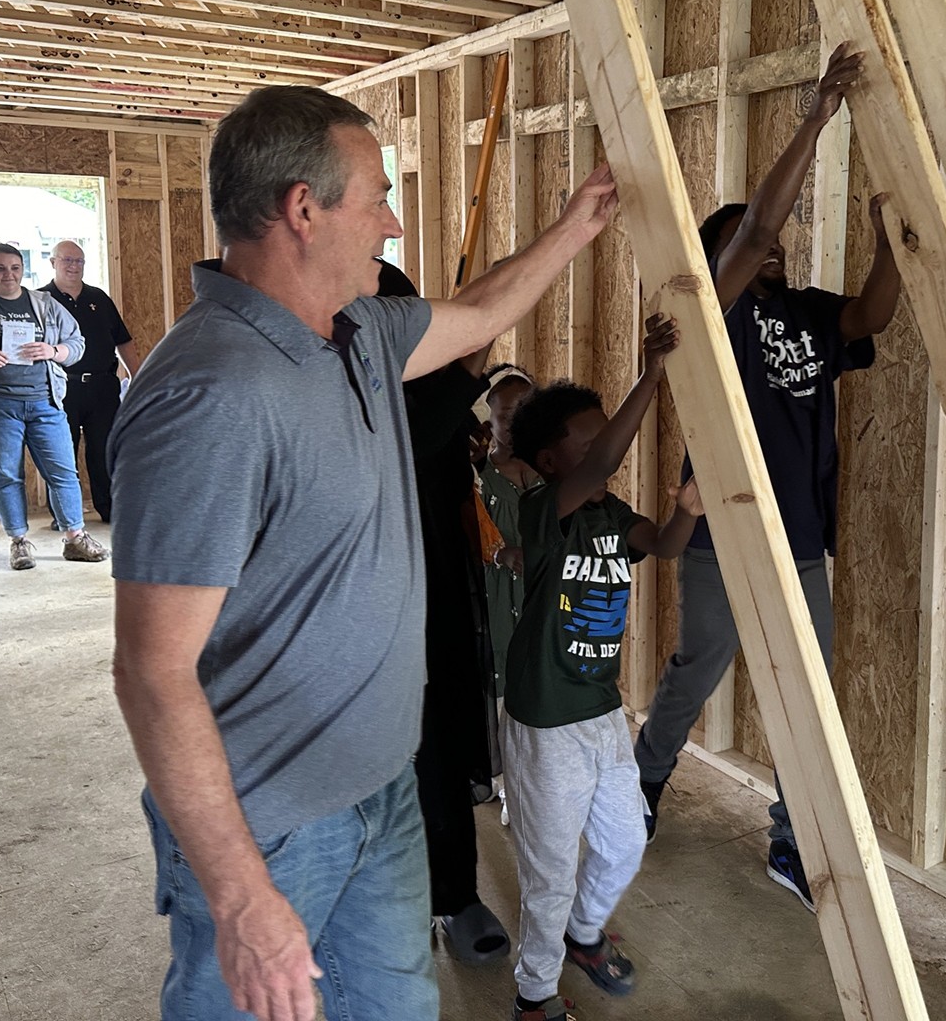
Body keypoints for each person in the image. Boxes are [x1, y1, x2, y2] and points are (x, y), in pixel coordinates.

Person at [107, 84, 618, 1021]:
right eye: (378, 197)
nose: (392, 222)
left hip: (385, 785)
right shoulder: (209, 394)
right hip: (272, 825)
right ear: (303, 209)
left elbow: (480, 311)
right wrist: (239, 895)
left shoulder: (362, 333)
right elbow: (151, 670)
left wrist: (578, 226)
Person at [632, 43, 901, 911]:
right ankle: (646, 779)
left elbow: (871, 317)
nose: (774, 247)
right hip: (719, 534)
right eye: (756, 243)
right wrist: (816, 117)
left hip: (800, 539)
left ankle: (792, 837)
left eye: (781, 242)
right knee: (698, 667)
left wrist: (890, 243)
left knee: (806, 695)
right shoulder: (709, 316)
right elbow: (749, 235)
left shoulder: (809, 315)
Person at [502, 314, 703, 1021]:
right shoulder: (543, 512)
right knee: (550, 870)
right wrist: (652, 373)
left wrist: (687, 510)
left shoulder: (611, 514)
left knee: (624, 841)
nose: (601, 453)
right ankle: (534, 996)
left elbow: (665, 545)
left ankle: (584, 935)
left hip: (601, 712)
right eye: (585, 443)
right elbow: (601, 465)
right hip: (546, 719)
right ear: (551, 461)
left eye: (601, 438)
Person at [377, 259, 511, 967]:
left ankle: (455, 894)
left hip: (436, 587)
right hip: (367, 594)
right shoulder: (352, 391)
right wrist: (473, 350)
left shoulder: (432, 388)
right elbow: (419, 430)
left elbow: (448, 425)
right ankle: (392, 902)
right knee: (386, 755)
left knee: (442, 739)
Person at [0, 243, 110, 571]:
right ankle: (19, 542)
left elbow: (77, 343)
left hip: (45, 403)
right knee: (6, 476)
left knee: (63, 472)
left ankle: (75, 538)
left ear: (23, 269)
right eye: (0, 268)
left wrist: (52, 351)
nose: (8, 275)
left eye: (15, 268)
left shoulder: (44, 304)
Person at [39, 240, 141, 524]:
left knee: (104, 451)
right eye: (67, 260)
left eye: (79, 261)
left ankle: (110, 510)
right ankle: (64, 516)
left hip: (102, 387)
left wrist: (138, 377)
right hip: (61, 388)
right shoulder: (40, 300)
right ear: (53, 262)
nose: (74, 266)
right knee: (62, 452)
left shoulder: (99, 298)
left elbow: (123, 341)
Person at [478, 364, 539, 701]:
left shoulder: (551, 476)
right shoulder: (479, 479)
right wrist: (501, 554)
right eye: (505, 416)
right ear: (489, 421)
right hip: (497, 602)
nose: (516, 424)